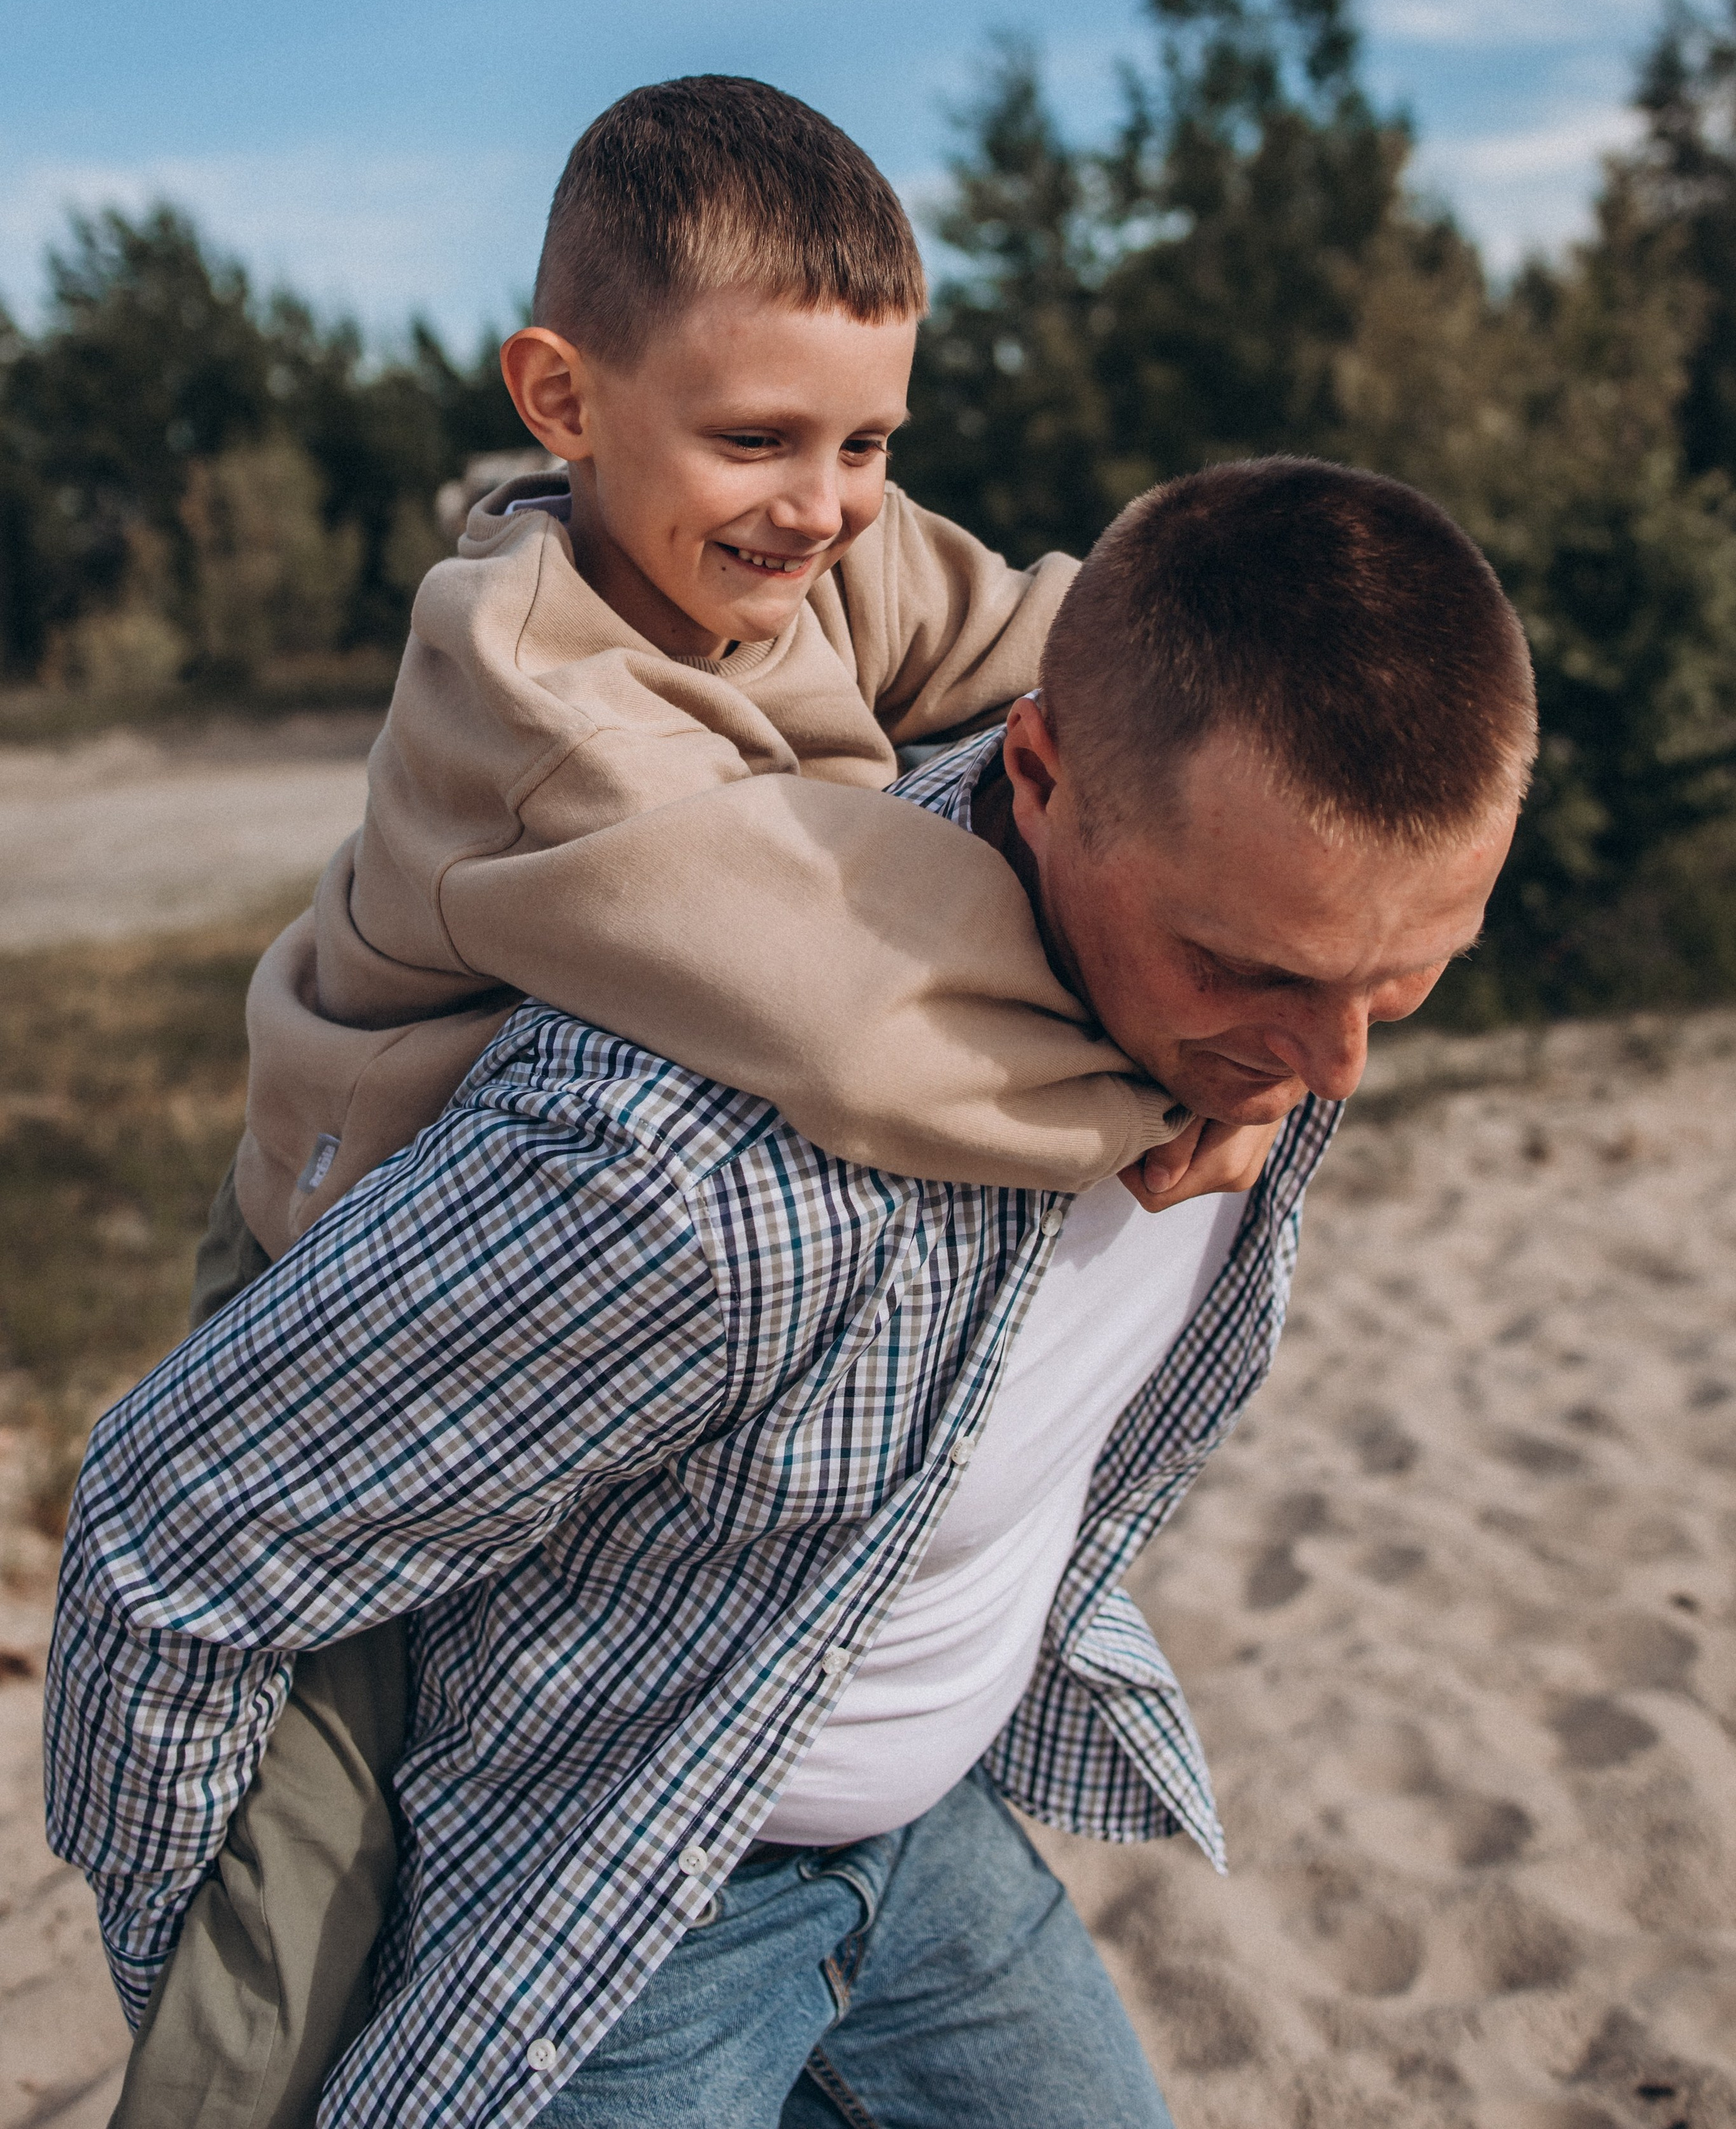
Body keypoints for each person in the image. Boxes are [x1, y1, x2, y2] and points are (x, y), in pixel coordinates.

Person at [47, 458, 1535, 2129]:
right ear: (1041, 780)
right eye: (1249, 972)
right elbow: (173, 1526)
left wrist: (1226, 1033)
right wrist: (241, 2012)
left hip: (930, 1836)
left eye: (1405, 982)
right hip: (617, 1912)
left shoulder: (1234, 948)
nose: (1325, 1065)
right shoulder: (687, 1173)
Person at [101, 71, 1253, 2129]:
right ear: (564, 396)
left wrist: (1234, 694)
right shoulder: (534, 698)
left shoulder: (819, 551)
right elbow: (836, 998)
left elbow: (1047, 643)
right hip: (346, 1266)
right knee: (306, 1898)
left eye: (871, 438)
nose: (823, 502)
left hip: (567, 1283)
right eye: (757, 439)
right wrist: (1150, 1088)